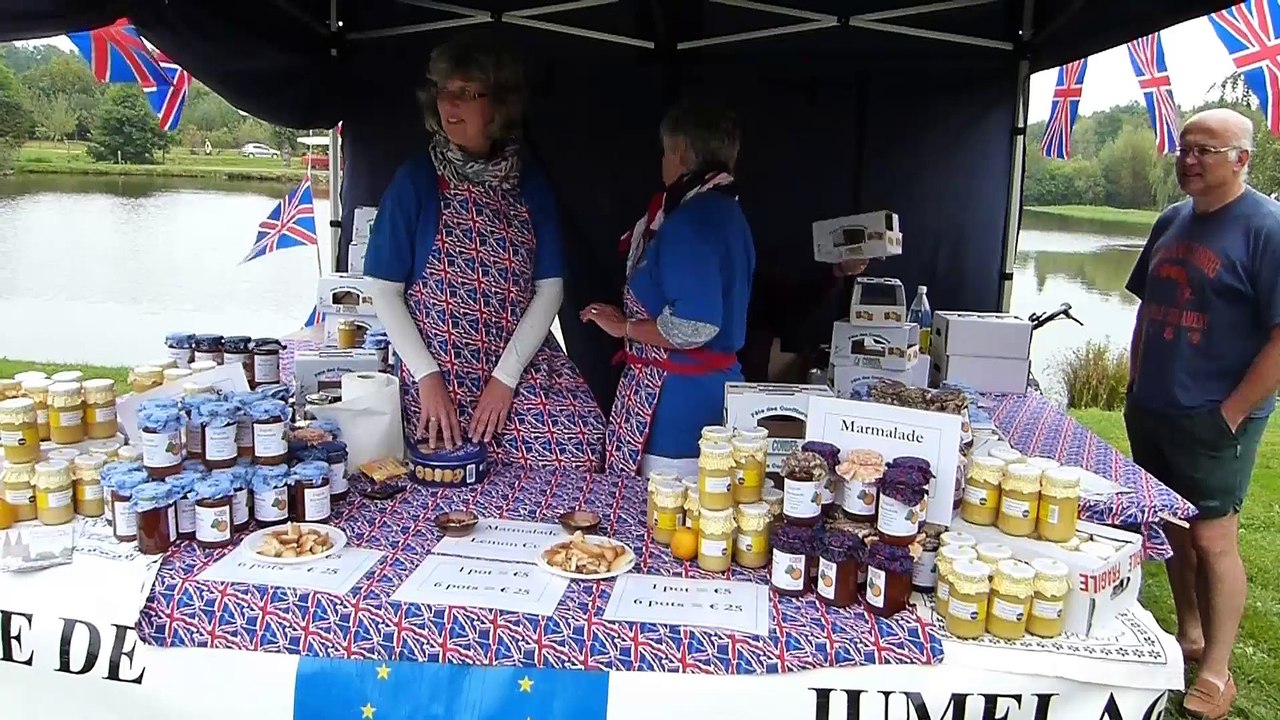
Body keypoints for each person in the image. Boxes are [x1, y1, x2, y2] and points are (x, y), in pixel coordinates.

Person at [363, 32, 605, 472]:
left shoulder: (530, 185)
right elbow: (383, 289)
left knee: (583, 443)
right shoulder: (416, 181)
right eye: (444, 92)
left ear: (499, 105)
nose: (450, 106)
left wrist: (505, 378)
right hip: (437, 370)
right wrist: (427, 377)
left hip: (515, 364)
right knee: (446, 464)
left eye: (466, 94)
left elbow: (549, 290)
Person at [1124, 107, 1280, 720]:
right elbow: (1146, 304)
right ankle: (1188, 633)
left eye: (1205, 151)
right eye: (1184, 148)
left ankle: (1217, 672)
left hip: (1217, 417)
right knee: (1173, 531)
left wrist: (1233, 414)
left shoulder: (1266, 228)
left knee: (1214, 538)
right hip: (1153, 406)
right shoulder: (1171, 220)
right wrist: (1136, 382)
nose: (1188, 160)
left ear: (1241, 159)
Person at [582, 100, 754, 477]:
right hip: (715, 395)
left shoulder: (689, 223)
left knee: (664, 526)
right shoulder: (728, 214)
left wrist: (625, 328)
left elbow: (695, 324)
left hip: (677, 414)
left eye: (665, 150)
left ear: (678, 151)